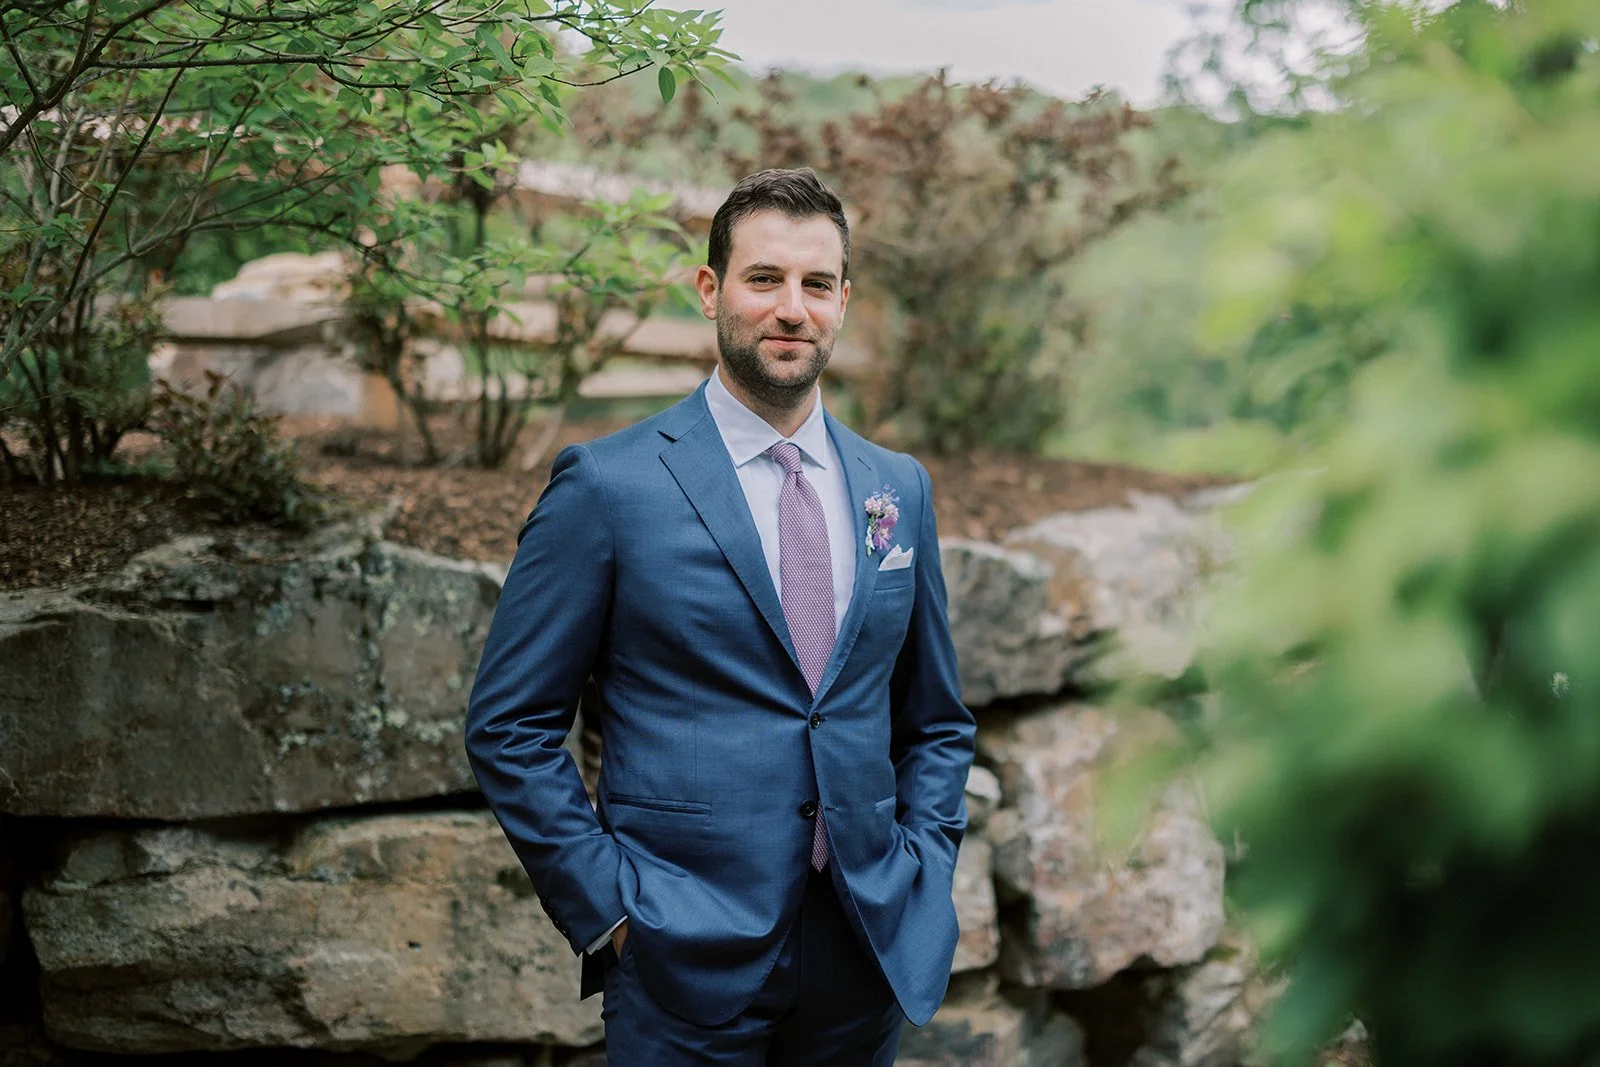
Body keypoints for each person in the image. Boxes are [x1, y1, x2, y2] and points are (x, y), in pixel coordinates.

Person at [465, 167, 975, 1065]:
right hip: (680, 956)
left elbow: (934, 720)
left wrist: (924, 865)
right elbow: (510, 725)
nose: (792, 308)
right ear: (710, 290)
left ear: (844, 301)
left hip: (865, 949)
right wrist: (613, 911)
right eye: (764, 278)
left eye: (817, 284)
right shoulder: (608, 486)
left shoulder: (898, 488)